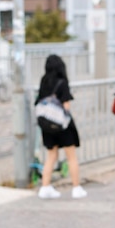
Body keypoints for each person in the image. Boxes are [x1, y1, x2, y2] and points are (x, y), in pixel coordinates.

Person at [35, 54, 87, 199]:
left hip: (47, 125)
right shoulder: (62, 82)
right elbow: (66, 106)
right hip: (63, 125)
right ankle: (76, 188)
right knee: (71, 157)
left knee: (51, 156)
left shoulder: (43, 81)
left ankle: (45, 187)